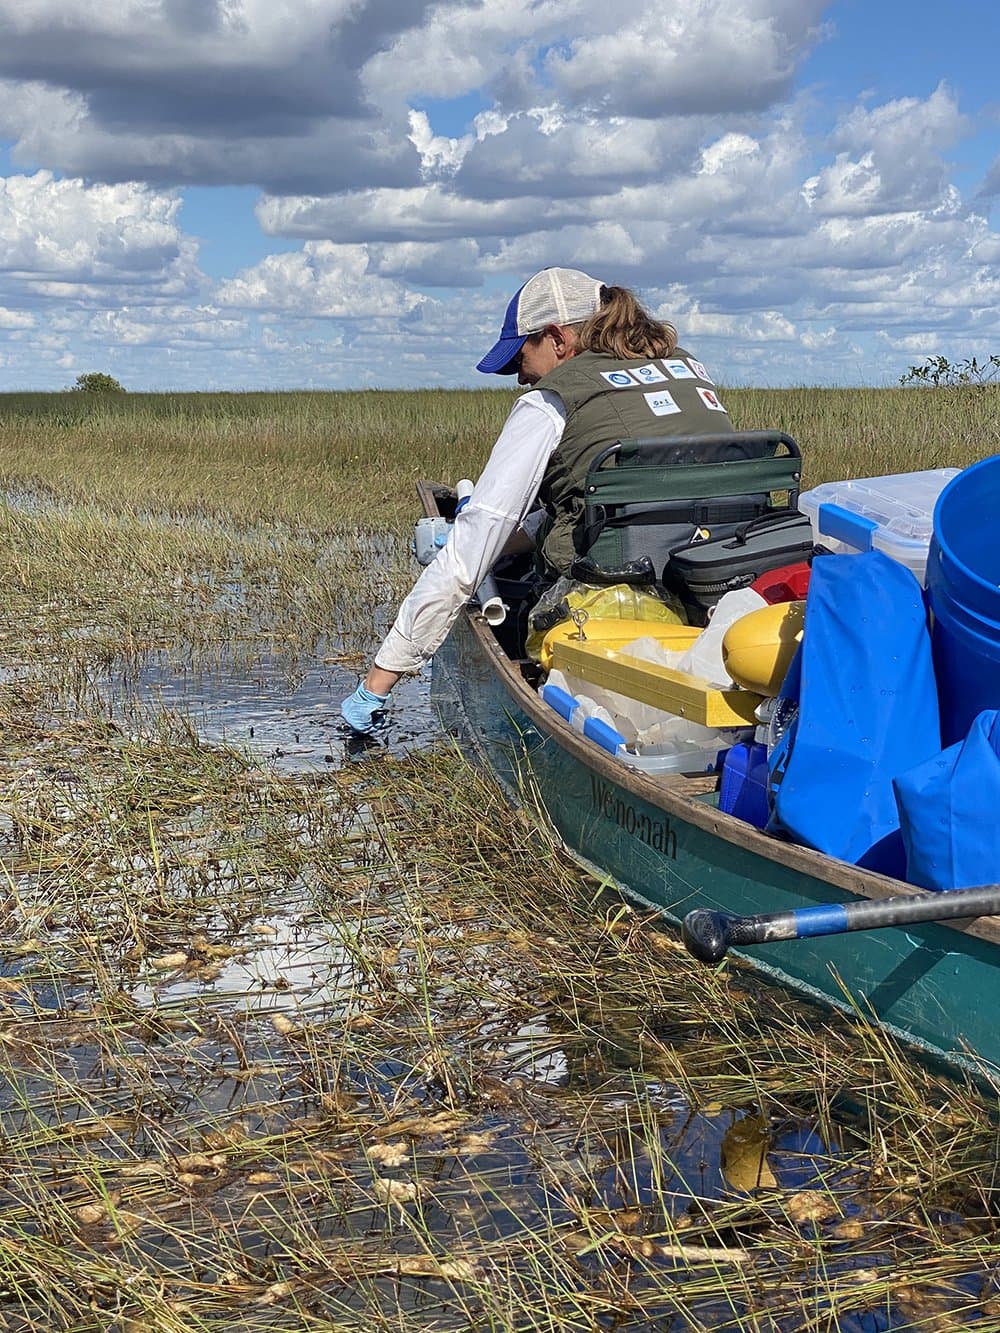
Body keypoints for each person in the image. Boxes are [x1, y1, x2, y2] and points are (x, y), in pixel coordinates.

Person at [341, 266, 732, 734]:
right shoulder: (688, 369)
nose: (520, 378)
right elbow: (614, 503)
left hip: (610, 604)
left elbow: (466, 559)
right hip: (716, 581)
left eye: (521, 357)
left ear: (556, 339)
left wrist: (378, 682)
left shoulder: (549, 403)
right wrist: (509, 541)